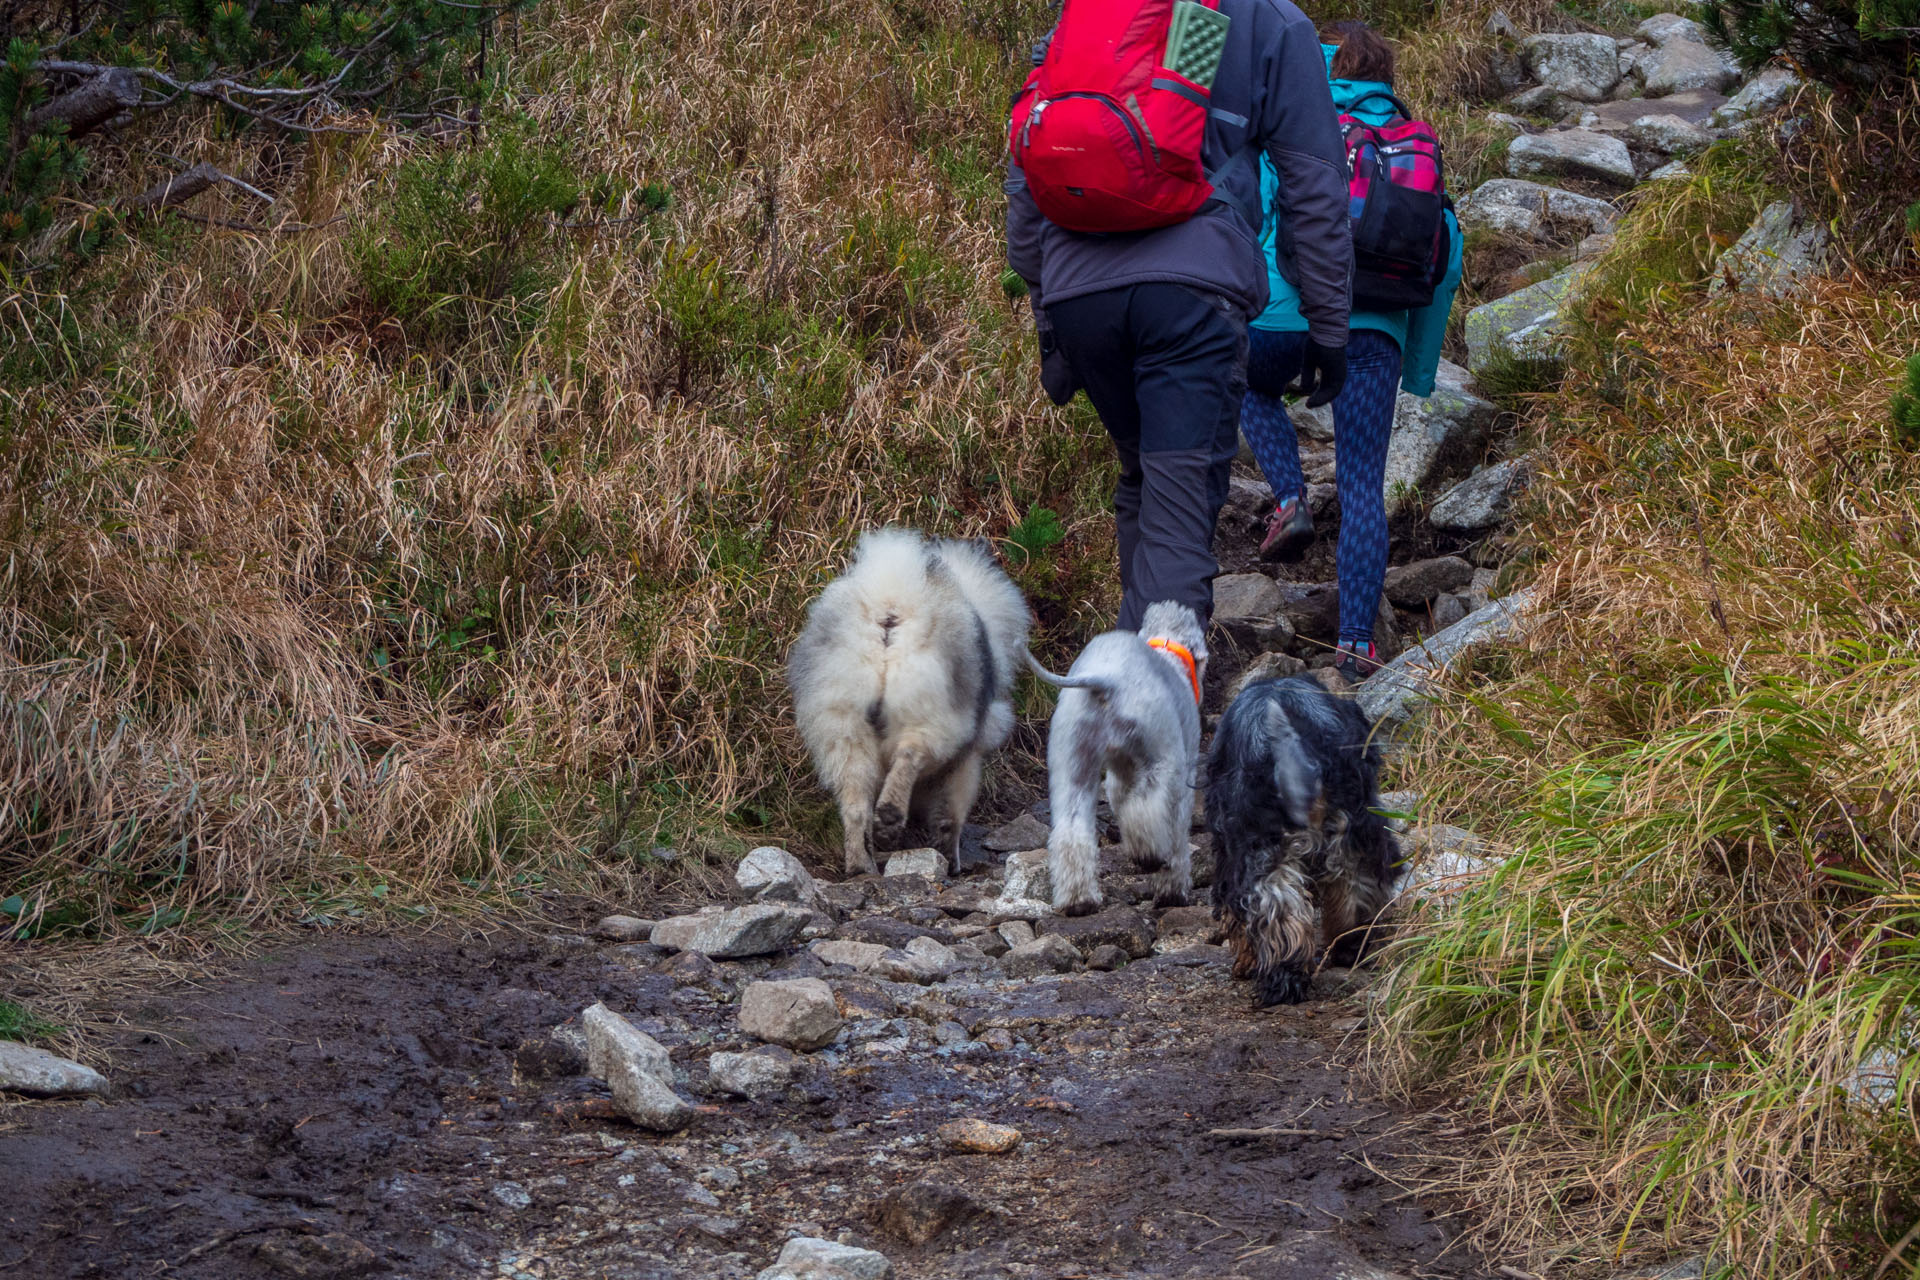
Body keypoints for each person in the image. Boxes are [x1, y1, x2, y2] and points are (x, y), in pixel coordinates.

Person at [1005, 0, 1354, 633]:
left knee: (1147, 479)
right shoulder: (1267, 18)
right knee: (1180, 512)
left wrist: (1046, 314)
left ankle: (1119, 699)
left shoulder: (1089, 13)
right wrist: (1328, 324)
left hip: (1077, 292)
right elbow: (1316, 181)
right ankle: (1156, 712)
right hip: (1189, 296)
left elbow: (1028, 161)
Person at [1239, 20, 1464, 683]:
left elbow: (1250, 216)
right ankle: (1358, 646)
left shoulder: (1290, 124)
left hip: (1286, 314)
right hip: (1375, 330)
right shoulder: (1412, 145)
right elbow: (1443, 257)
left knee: (1248, 386)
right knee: (1363, 481)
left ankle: (1290, 499)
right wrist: (1418, 370)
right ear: (1385, 78)